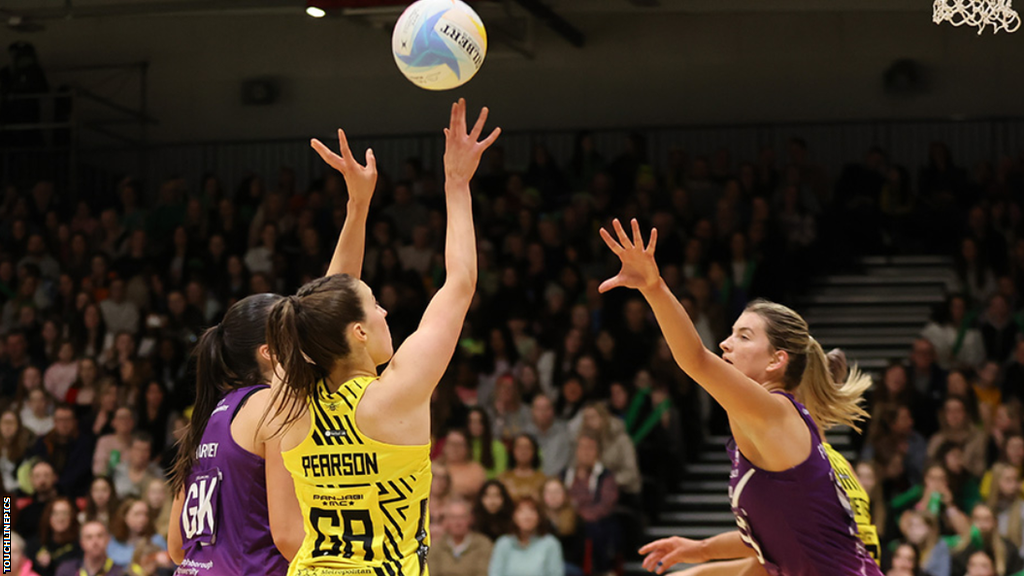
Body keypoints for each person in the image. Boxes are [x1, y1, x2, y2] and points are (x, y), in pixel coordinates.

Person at [264, 99, 499, 575]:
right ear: (358, 331)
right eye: (375, 306)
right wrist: (457, 182)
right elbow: (460, 282)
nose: (385, 310)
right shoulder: (394, 397)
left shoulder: (288, 396)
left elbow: (323, 311)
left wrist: (358, 206)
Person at [598, 219, 881, 575]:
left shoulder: (775, 412)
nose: (726, 344)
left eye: (743, 337)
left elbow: (696, 359)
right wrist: (699, 553)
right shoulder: (772, 429)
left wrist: (654, 288)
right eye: (731, 334)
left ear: (778, 360)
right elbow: (765, 548)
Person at [166, 123, 379, 576]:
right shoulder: (275, 405)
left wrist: (357, 208)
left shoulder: (207, 417)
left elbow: (176, 546)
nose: (306, 330)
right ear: (271, 352)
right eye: (291, 327)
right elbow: (287, 536)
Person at [487, 497, 564, 576]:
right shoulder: (503, 543)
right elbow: (495, 573)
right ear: (514, 517)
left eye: (532, 511)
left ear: (539, 517)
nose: (527, 516)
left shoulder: (551, 544)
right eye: (521, 511)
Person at [428, 499, 494, 576]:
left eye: (462, 517)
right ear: (447, 520)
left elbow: (483, 573)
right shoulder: (437, 545)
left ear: (470, 519)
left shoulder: (483, 545)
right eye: (453, 517)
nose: (457, 522)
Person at [55, 521, 142, 576]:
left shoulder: (121, 572)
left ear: (108, 540)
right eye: (89, 537)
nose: (95, 542)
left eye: (100, 536)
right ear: (82, 543)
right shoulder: (67, 570)